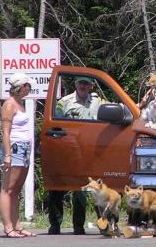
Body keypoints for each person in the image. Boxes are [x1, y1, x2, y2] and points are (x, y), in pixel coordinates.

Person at [48, 76, 104, 235]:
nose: (83, 86)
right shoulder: (63, 103)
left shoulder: (98, 102)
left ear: (91, 85)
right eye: (80, 82)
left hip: (89, 152)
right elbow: (54, 127)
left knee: (82, 190)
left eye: (86, 83)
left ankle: (79, 226)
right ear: (75, 83)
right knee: (57, 188)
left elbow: (115, 110)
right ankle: (55, 224)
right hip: (66, 152)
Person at [0, 73, 37, 238]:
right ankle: (8, 227)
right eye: (28, 85)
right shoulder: (9, 105)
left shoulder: (20, 103)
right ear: (22, 87)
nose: (30, 88)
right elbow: (5, 132)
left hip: (24, 148)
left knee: (16, 190)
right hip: (13, 149)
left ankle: (17, 225)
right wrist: (7, 155)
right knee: (7, 189)